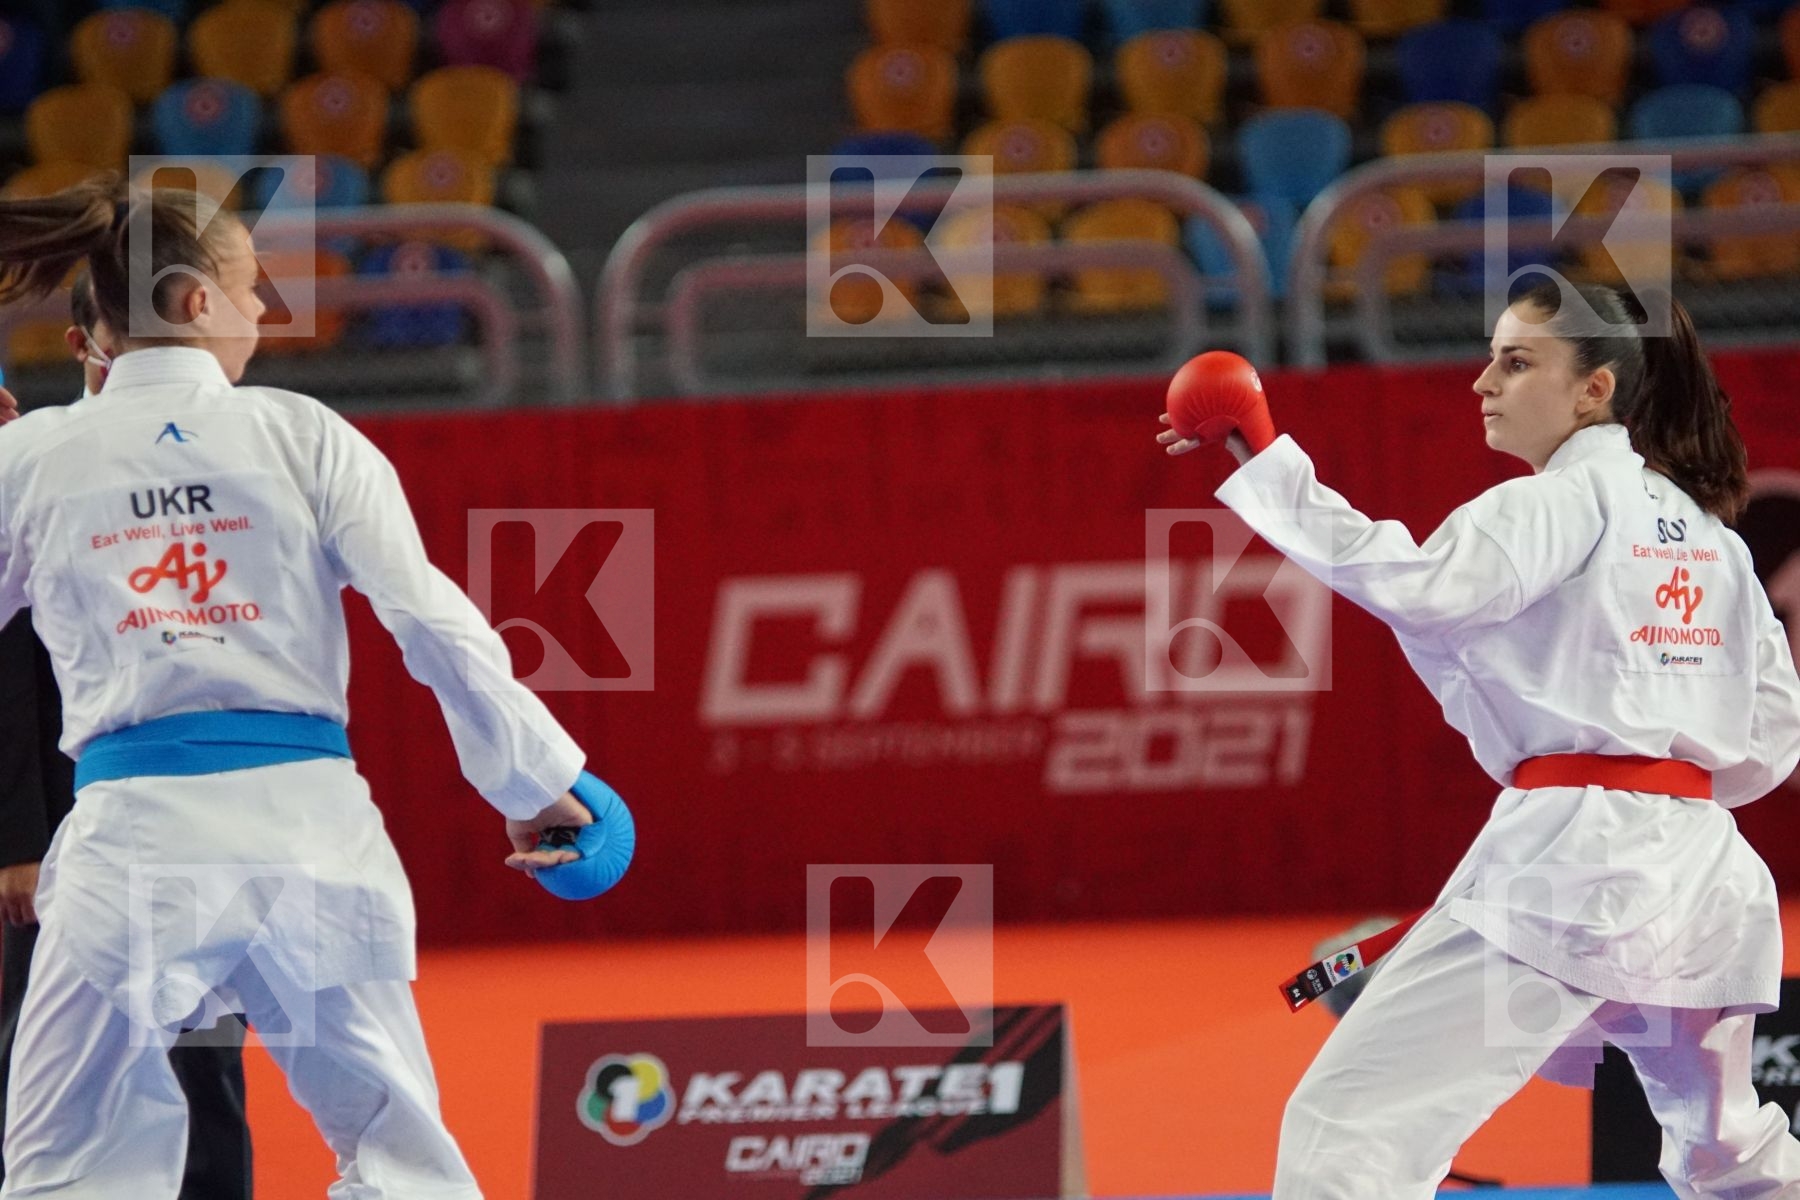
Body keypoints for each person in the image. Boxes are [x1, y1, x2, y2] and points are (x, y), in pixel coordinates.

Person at [0, 175, 595, 1197]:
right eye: (250, 287)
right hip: (315, 843)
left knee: (67, 1170)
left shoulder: (35, 455)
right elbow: (428, 620)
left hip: (134, 849)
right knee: (400, 1156)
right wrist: (536, 786)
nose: (265, 312)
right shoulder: (305, 434)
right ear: (191, 302)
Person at [1157, 282, 1800, 1199]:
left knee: (1350, 1127)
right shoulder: (1714, 541)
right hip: (1703, 882)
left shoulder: (1559, 501)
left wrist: (1266, 461)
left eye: (1517, 361)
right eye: (1491, 356)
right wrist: (1657, 788)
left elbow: (1418, 589)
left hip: (1576, 874)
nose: (1482, 383)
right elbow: (1773, 740)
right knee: (1727, 1153)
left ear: (1595, 390)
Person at [0, 273, 255, 1195]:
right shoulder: (33, 462)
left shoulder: (236, 452)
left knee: (208, 1059)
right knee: (49, 1071)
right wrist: (19, 839)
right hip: (78, 832)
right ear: (84, 349)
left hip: (214, 821)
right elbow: (11, 675)